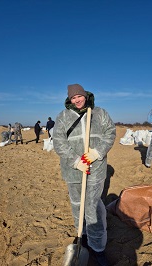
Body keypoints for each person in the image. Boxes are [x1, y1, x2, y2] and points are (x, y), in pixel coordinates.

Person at [53, 84, 116, 266]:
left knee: (92, 206)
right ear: (69, 100)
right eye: (73, 98)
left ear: (85, 95)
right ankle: (83, 235)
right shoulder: (63, 116)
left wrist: (97, 152)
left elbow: (110, 133)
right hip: (73, 169)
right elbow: (58, 141)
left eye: (79, 96)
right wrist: (75, 161)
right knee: (76, 205)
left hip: (96, 168)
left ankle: (97, 248)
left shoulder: (100, 113)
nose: (77, 100)